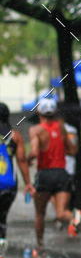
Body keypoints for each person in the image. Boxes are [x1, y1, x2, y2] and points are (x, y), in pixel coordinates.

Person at [28, 98, 80, 253]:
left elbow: (35, 152)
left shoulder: (36, 130)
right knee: (61, 213)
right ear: (55, 112)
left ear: (39, 112)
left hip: (45, 174)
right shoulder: (62, 128)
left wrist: (28, 159)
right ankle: (74, 217)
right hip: (62, 174)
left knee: (40, 213)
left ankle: (40, 246)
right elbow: (72, 150)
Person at [0, 103, 35, 242]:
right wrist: (28, 184)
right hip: (9, 186)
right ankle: (1, 254)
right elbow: (21, 161)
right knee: (2, 219)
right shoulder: (15, 136)